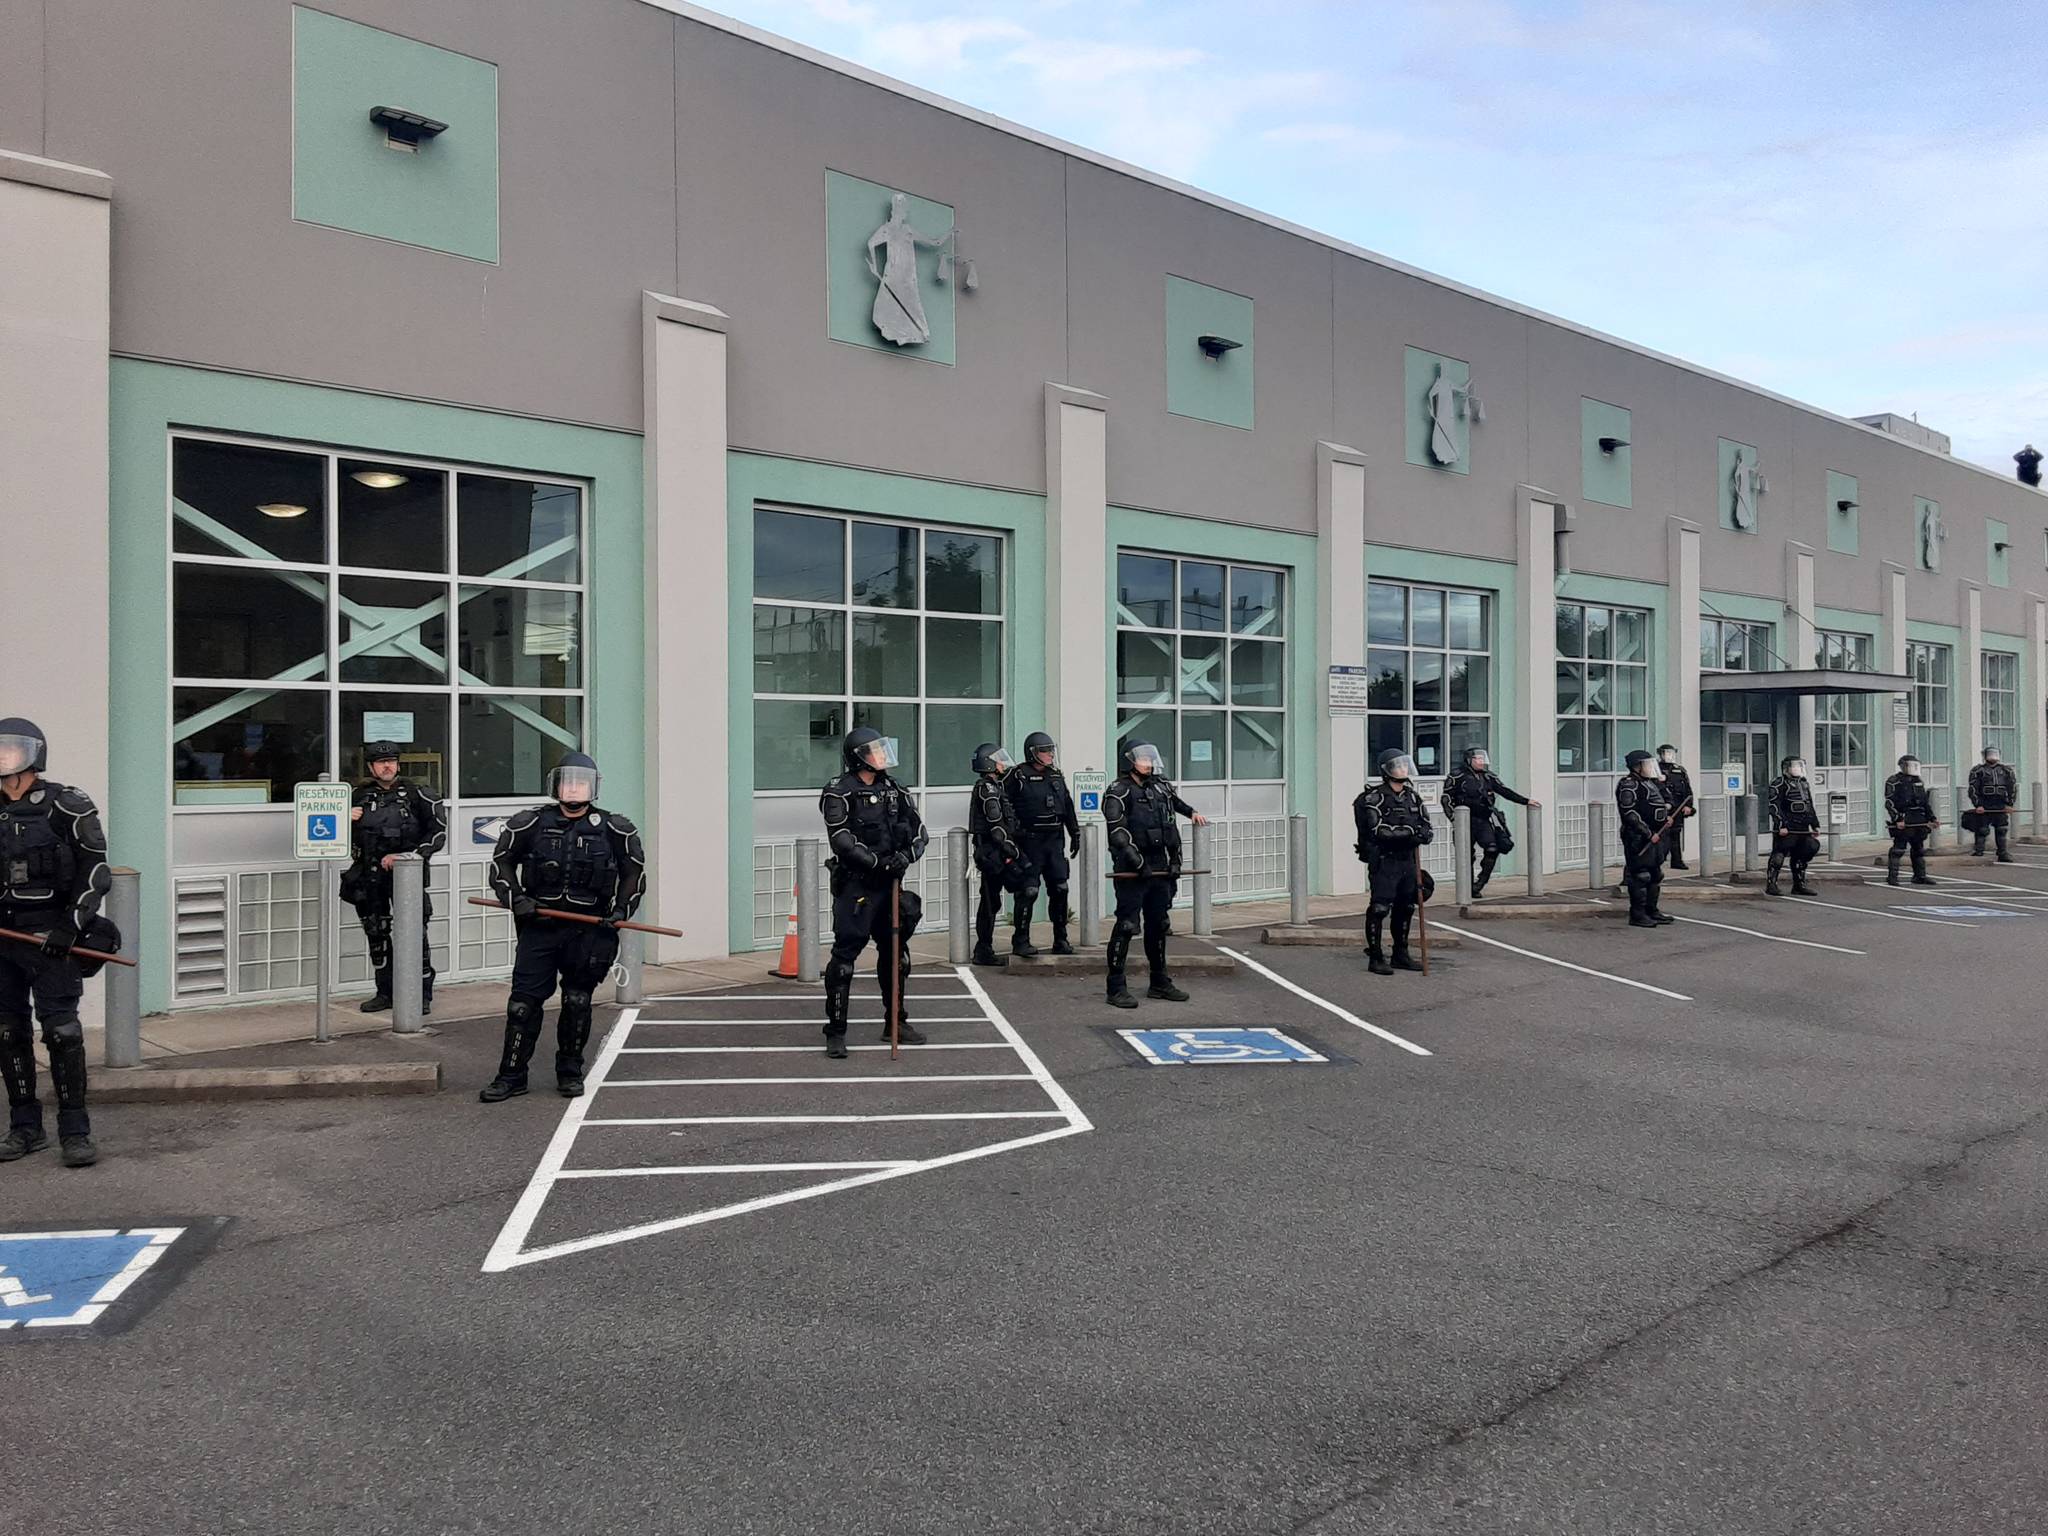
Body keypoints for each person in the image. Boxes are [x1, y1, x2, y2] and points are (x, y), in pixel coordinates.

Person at [480, 752, 645, 1102]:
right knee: (522, 1005)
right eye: (568, 782)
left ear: (592, 787)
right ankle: (511, 1075)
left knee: (576, 1001)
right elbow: (501, 865)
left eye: (580, 783)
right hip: (539, 927)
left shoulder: (617, 828)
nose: (573, 789)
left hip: (589, 931)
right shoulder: (527, 823)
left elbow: (635, 875)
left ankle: (570, 1072)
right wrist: (518, 899)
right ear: (556, 785)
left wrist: (620, 911)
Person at [0, 718, 114, 1167]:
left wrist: (71, 926)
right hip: (2, 939)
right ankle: (25, 1128)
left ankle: (75, 1131)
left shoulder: (66, 804)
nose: (5, 756)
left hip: (51, 937)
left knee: (63, 1033)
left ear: (33, 754)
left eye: (12, 748)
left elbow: (96, 871)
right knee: (7, 1033)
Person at [819, 728, 927, 1059]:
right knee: (844, 960)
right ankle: (835, 1031)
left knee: (897, 955)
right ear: (857, 756)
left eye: (882, 751)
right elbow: (841, 839)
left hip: (892, 884)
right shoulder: (839, 792)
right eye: (874, 752)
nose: (881, 757)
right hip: (858, 886)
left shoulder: (896, 790)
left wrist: (905, 856)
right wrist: (878, 863)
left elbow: (919, 831)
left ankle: (895, 1021)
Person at [343, 740, 446, 1014]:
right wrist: (343, 818)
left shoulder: (418, 794)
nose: (387, 766)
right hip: (370, 875)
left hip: (407, 877)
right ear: (371, 766)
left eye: (391, 761)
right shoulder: (357, 795)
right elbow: (327, 835)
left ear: (398, 764)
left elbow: (437, 834)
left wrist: (408, 857)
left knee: (415, 934)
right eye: (380, 762)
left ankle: (422, 995)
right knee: (376, 934)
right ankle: (385, 992)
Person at [1102, 740, 1207, 1008]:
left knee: (1159, 924)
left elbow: (1174, 814)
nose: (1148, 763)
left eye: (1150, 758)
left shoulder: (1161, 786)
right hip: (1132, 869)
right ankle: (1116, 987)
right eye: (1143, 759)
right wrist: (1137, 862)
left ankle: (1159, 982)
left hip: (1161, 867)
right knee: (1126, 926)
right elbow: (1117, 830)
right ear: (1129, 761)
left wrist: (1191, 816)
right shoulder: (1118, 791)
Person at [1354, 747, 1434, 975]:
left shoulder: (1412, 796)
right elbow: (1378, 829)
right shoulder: (1373, 797)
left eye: (1404, 764)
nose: (1403, 768)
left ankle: (1401, 953)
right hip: (1385, 861)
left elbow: (1425, 824)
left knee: (1406, 906)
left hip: (1408, 860)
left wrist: (1423, 834)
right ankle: (1376, 956)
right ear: (1387, 771)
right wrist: (1410, 832)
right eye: (1398, 765)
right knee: (1380, 908)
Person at [1004, 731, 1080, 956]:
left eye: (1051, 750)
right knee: (1029, 891)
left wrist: (1074, 832)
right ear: (1032, 753)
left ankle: (1061, 939)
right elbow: (1005, 807)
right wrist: (1013, 835)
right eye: (1044, 751)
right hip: (1029, 842)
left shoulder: (1056, 776)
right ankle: (1021, 941)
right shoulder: (1016, 776)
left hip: (1054, 841)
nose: (1049, 755)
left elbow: (1067, 804)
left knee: (1060, 888)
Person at [968, 743, 1034, 967]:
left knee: (1026, 888)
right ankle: (983, 949)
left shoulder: (998, 786)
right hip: (992, 852)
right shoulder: (986, 789)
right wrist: (1013, 852)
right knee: (990, 901)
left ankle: (1020, 941)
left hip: (1001, 849)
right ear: (988, 763)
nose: (1002, 763)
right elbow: (996, 827)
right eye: (997, 759)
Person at [1439, 745, 1536, 898]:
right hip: (1464, 821)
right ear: (1469, 760)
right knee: (1466, 855)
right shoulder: (1457, 776)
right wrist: (1453, 818)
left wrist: (1526, 801)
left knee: (1492, 848)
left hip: (1483, 820)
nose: (1481, 762)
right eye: (1477, 759)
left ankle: (1480, 883)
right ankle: (1467, 888)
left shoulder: (1488, 776)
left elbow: (1504, 791)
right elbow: (1446, 799)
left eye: (1482, 759)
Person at [1616, 749, 1677, 929]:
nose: (1650, 768)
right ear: (1636, 766)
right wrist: (1648, 833)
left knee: (1656, 874)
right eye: (1646, 764)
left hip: (1658, 834)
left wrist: (1667, 816)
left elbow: (1665, 801)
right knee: (1641, 875)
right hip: (1638, 836)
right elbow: (1629, 813)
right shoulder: (1628, 785)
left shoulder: (1651, 783)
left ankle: (1652, 910)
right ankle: (1638, 914)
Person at [1765, 754, 1821, 897]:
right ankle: (1771, 884)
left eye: (1799, 765)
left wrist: (1815, 824)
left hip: (1802, 827)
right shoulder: (1779, 783)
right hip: (1787, 827)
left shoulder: (1804, 783)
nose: (1797, 768)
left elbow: (1809, 805)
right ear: (1786, 768)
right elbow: (1774, 806)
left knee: (1807, 850)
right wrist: (1781, 824)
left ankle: (1799, 884)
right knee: (1779, 855)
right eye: (1794, 766)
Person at [1884, 754, 1938, 886]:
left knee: (1918, 849)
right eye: (1909, 765)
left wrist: (1932, 818)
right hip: (1904, 817)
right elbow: (1889, 803)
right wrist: (1897, 819)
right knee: (1898, 849)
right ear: (1902, 766)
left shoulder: (1918, 781)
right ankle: (1892, 877)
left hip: (1919, 818)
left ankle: (1920, 876)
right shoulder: (1894, 781)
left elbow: (1925, 802)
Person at [1967, 744, 2018, 862]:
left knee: (2001, 829)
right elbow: (1973, 789)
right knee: (1982, 829)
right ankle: (1978, 850)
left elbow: (2012, 788)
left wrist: (2010, 804)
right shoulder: (1978, 770)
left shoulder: (2006, 770)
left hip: (2000, 803)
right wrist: (1978, 804)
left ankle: (2002, 852)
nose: (1992, 756)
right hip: (1985, 803)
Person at [1656, 745, 1697, 869]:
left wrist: (1689, 806)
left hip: (1678, 807)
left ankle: (1677, 860)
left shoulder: (1679, 770)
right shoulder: (1655, 769)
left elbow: (1688, 791)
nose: (1669, 755)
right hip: (1663, 807)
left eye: (1671, 752)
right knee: (1661, 834)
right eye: (1666, 753)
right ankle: (1658, 860)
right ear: (1660, 754)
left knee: (1675, 834)